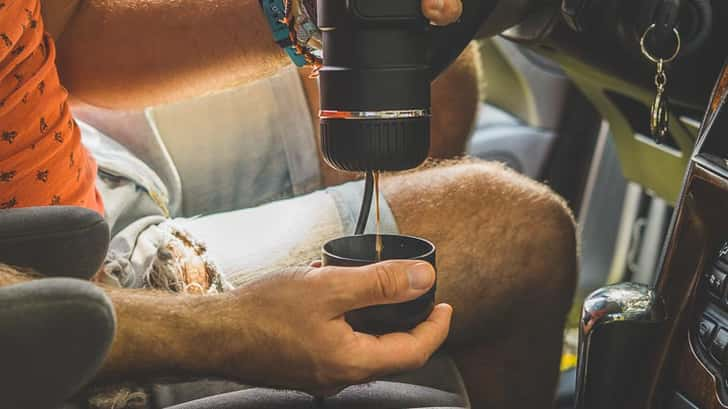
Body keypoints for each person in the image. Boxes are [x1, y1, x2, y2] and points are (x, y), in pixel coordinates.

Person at [0, 1, 578, 408]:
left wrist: (306, 10)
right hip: (49, 290)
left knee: (438, 78)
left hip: (86, 159)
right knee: (522, 237)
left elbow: (58, 29)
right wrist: (227, 331)